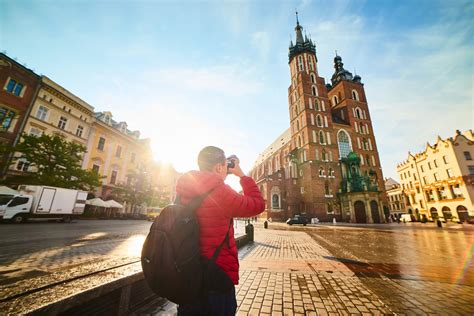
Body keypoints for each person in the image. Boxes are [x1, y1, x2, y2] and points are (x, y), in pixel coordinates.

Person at [175, 146, 265, 315]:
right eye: (225, 165)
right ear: (218, 167)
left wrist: (223, 169)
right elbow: (258, 204)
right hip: (216, 276)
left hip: (187, 274)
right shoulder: (221, 192)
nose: (227, 170)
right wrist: (241, 175)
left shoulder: (183, 190)